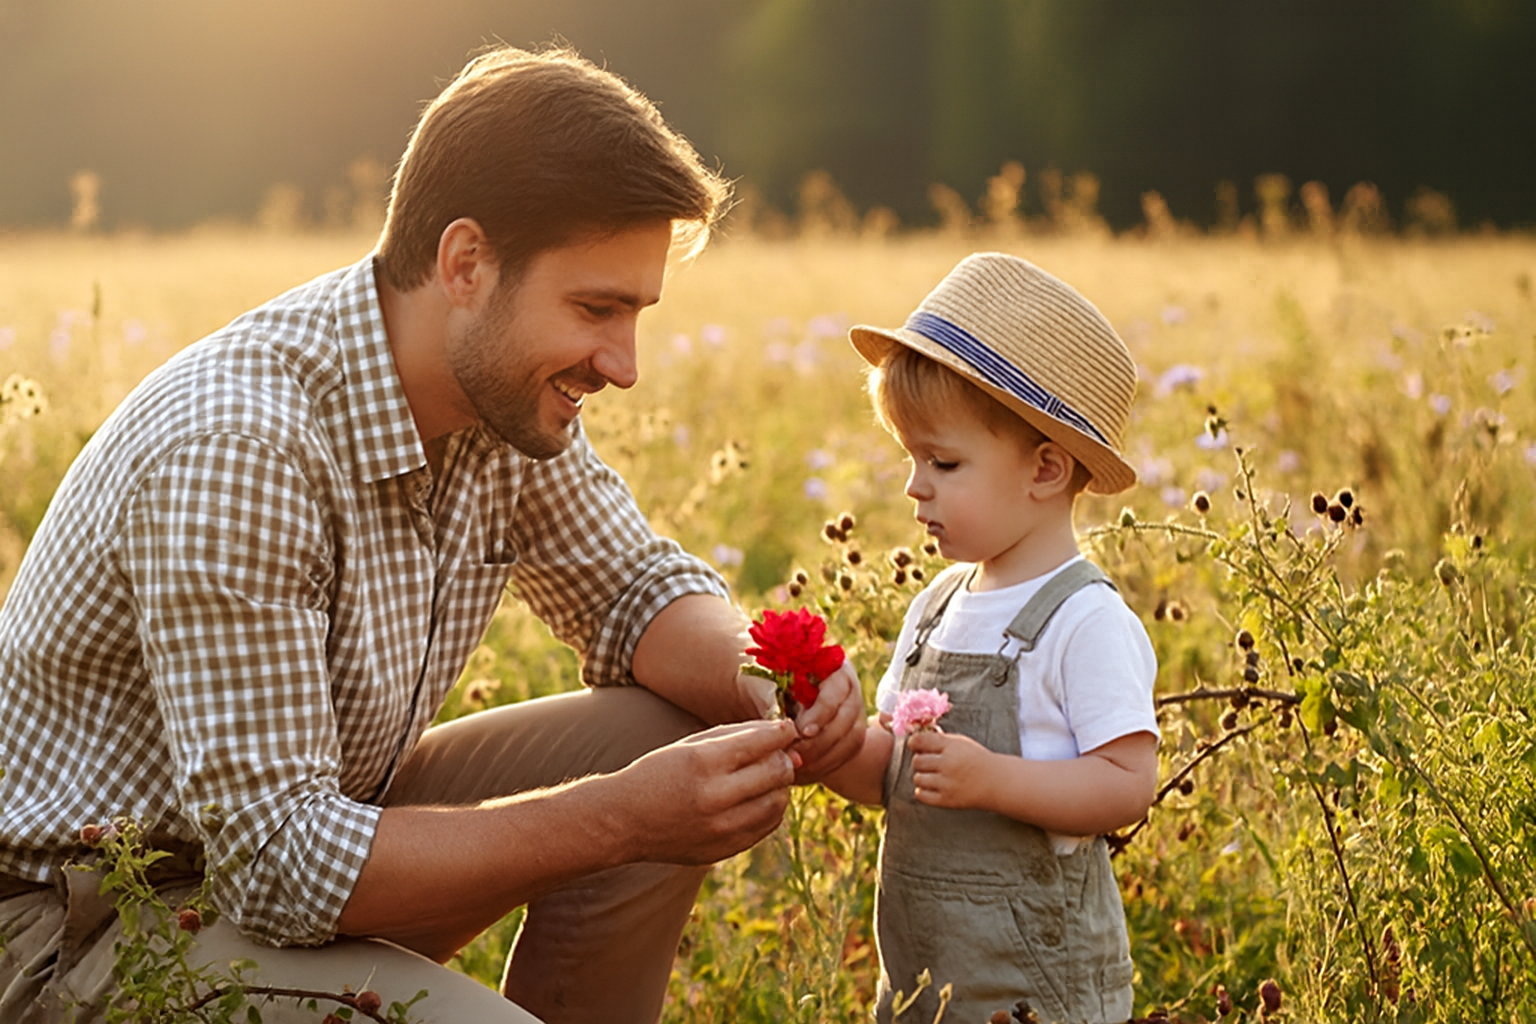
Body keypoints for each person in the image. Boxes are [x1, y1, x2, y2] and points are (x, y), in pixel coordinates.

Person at [0, 45, 865, 1024]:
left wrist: (768, 675)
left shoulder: (493, 398)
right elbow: (280, 867)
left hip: (291, 850)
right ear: (464, 264)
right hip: (80, 933)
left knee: (677, 717)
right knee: (628, 794)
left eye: (637, 313)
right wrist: (619, 818)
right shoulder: (241, 449)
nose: (623, 364)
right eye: (595, 308)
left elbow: (634, 589)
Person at [820, 253, 1160, 1024]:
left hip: (1037, 990)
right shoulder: (936, 606)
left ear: (1045, 470)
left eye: (943, 461)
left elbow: (1124, 784)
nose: (915, 485)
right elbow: (893, 777)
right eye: (911, 458)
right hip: (923, 984)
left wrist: (992, 781)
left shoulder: (1086, 621)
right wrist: (826, 745)